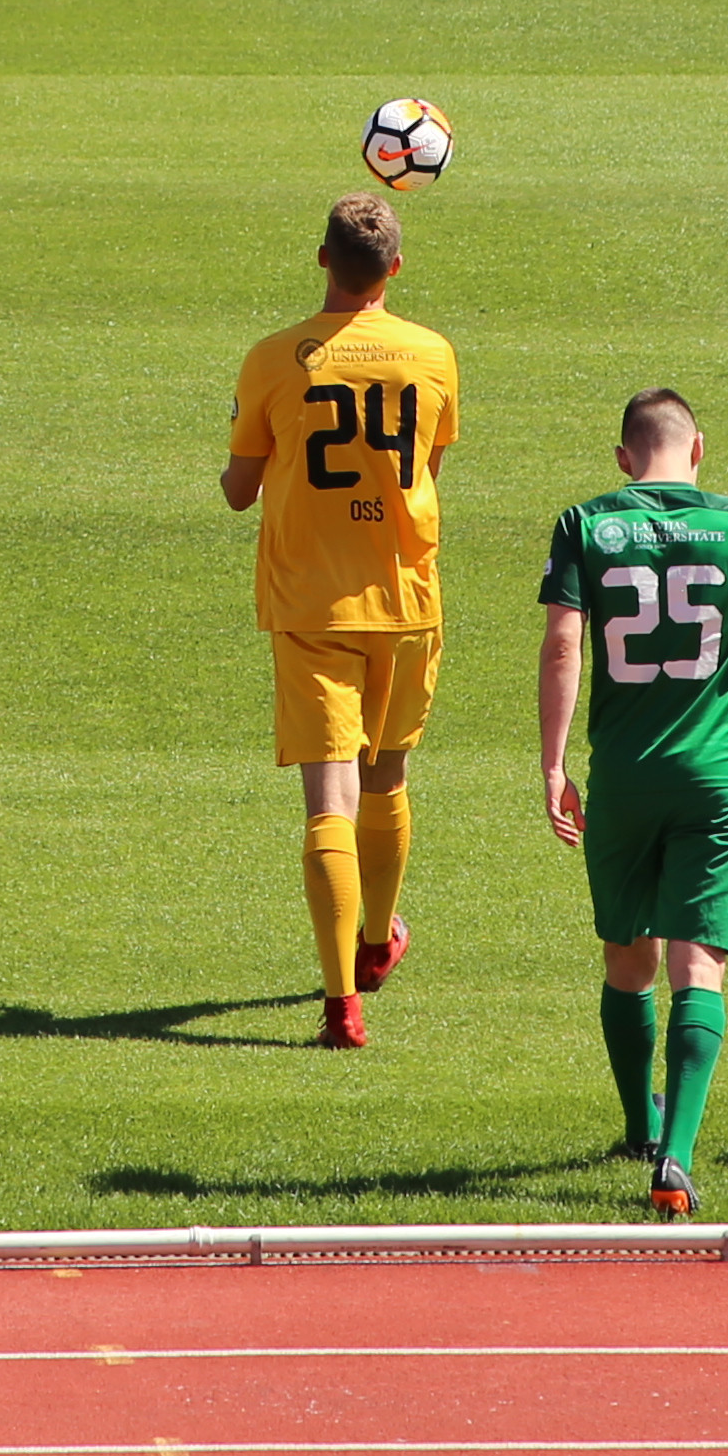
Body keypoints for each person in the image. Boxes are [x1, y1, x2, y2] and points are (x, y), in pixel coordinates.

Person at [534, 386, 728, 1220]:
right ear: (698, 450)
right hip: (717, 779)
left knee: (630, 961)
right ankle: (677, 1159)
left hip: (623, 777)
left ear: (625, 458)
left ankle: (639, 1123)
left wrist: (554, 768)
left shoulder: (585, 523)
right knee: (699, 963)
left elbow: (563, 643)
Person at [222, 190, 462, 1048]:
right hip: (403, 602)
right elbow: (427, 464)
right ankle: (374, 943)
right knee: (386, 782)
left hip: (310, 604)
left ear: (321, 258)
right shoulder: (431, 355)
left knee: (328, 801)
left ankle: (340, 1008)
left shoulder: (271, 358)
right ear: (394, 270)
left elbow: (239, 489)